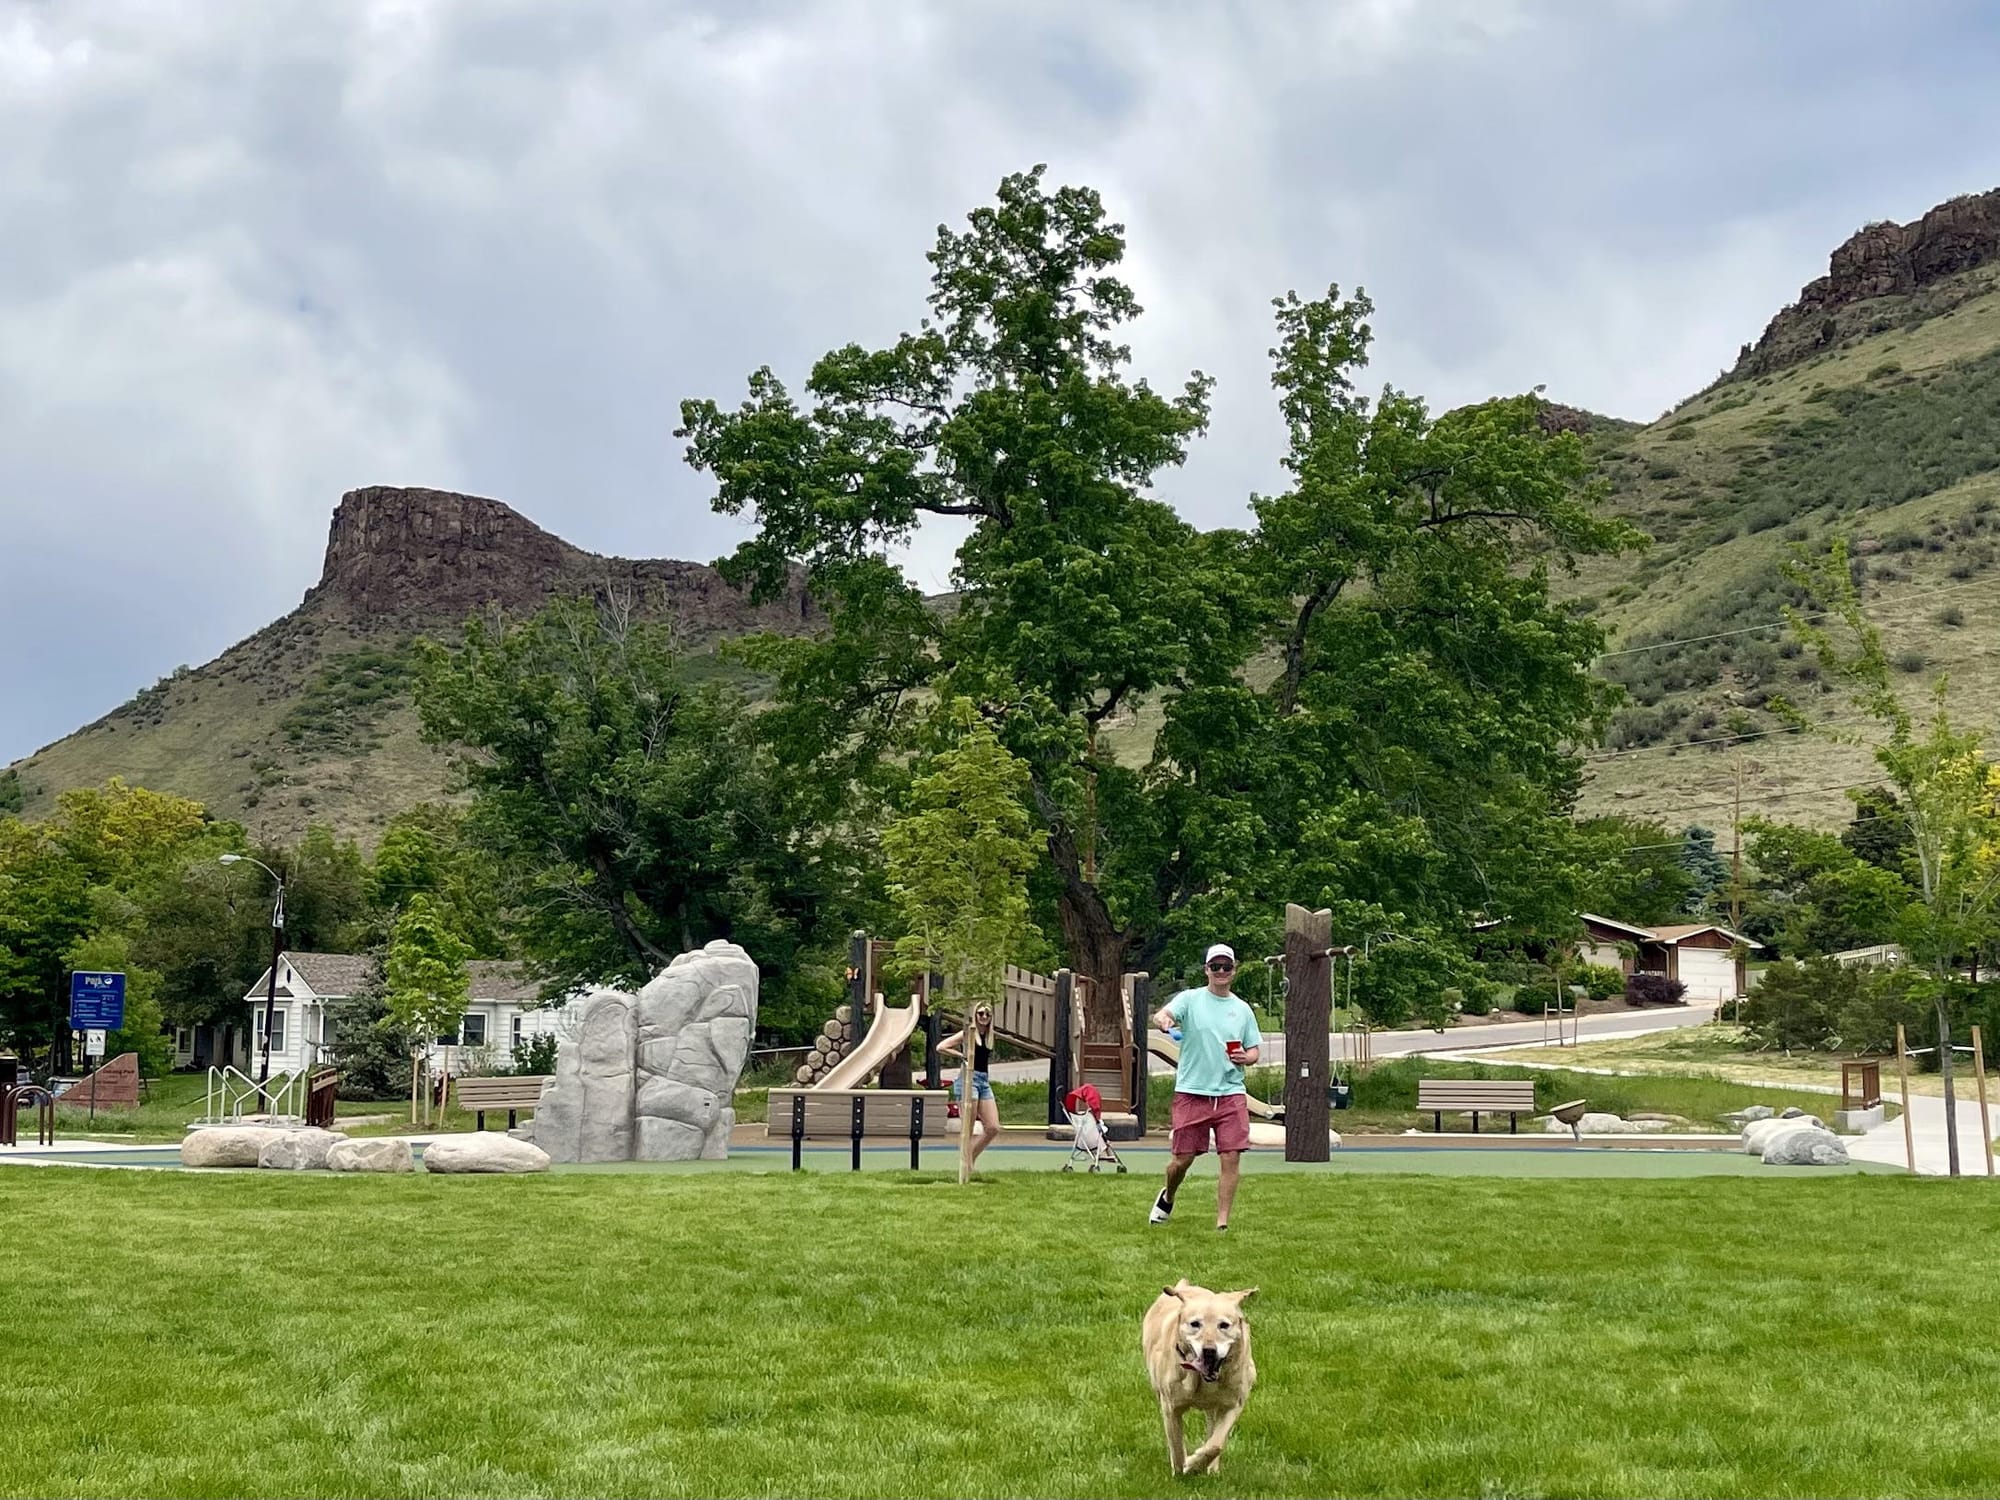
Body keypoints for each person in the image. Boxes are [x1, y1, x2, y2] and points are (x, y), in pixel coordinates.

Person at [1149, 943, 1261, 1232]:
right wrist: (1165, 1021)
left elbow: (1253, 1051)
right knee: (1182, 1160)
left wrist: (1245, 1057)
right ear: (1206, 970)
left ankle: (1222, 1223)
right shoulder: (1190, 999)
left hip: (1230, 1093)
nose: (1221, 971)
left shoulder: (1242, 1010)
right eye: (1215, 966)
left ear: (1234, 970)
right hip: (1192, 1091)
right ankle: (1168, 1196)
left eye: (1226, 966)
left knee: (1231, 1156)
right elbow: (1162, 1016)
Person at [940, 1003, 1002, 1171]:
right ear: (975, 1014)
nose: (984, 1017)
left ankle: (970, 1157)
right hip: (968, 1079)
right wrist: (961, 1055)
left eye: (987, 1014)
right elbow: (941, 1046)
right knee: (968, 1126)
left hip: (983, 1081)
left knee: (993, 1127)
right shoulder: (968, 1033)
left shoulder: (989, 1035)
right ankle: (966, 1167)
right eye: (981, 1013)